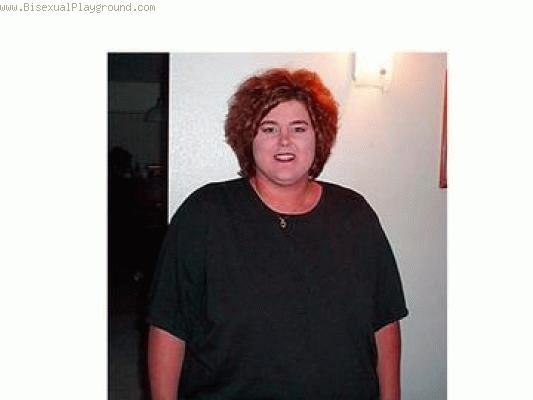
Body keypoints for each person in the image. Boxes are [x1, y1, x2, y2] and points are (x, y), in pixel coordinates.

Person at [147, 68, 408, 400]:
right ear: (248, 137)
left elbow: (384, 322)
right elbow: (168, 325)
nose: (285, 140)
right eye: (269, 128)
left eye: (299, 128)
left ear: (319, 136)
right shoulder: (205, 213)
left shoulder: (356, 215)